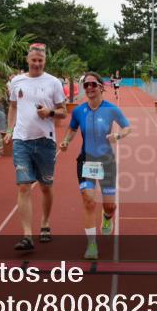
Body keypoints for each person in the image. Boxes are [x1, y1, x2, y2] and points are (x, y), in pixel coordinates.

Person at [59, 71, 131, 260]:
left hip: (106, 161)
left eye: (92, 84)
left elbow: (127, 127)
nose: (89, 88)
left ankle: (107, 218)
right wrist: (66, 141)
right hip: (86, 161)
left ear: (101, 87)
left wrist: (118, 135)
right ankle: (91, 245)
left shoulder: (111, 109)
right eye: (86, 85)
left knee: (110, 206)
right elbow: (72, 128)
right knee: (88, 201)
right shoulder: (78, 111)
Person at [3, 43, 67, 252]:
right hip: (22, 141)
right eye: (34, 60)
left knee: (46, 186)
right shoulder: (17, 81)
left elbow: (63, 112)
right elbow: (13, 107)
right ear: (27, 60)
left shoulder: (53, 82)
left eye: (40, 61)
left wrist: (49, 112)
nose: (37, 64)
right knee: (23, 186)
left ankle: (45, 223)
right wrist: (10, 130)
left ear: (44, 61)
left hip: (45, 142)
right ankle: (27, 235)